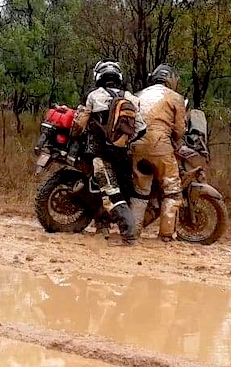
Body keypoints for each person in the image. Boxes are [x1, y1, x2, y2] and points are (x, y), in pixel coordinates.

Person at [77, 60, 146, 246]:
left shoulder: (93, 96)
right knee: (121, 191)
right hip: (123, 154)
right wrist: (123, 141)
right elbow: (141, 128)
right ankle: (103, 225)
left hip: (101, 153)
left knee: (112, 194)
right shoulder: (131, 98)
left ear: (98, 76)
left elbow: (80, 124)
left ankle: (129, 235)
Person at [130, 64, 187, 242]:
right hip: (160, 147)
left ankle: (133, 231)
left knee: (140, 192)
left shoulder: (138, 95)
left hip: (136, 148)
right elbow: (179, 130)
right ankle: (166, 234)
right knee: (172, 190)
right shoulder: (176, 98)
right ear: (170, 80)